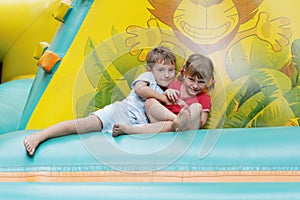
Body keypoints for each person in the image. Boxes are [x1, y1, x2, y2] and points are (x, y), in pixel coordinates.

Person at [23, 46, 178, 156]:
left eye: (171, 70)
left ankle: (177, 122)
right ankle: (40, 136)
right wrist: (164, 97)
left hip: (134, 125)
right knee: (81, 125)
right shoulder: (148, 78)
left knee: (169, 126)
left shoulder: (169, 88)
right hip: (119, 113)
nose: (167, 75)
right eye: (161, 70)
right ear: (149, 70)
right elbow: (140, 90)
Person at [112, 53, 215, 136]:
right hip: (169, 122)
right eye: (191, 80)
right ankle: (176, 121)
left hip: (187, 127)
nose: (195, 85)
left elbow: (202, 121)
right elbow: (162, 103)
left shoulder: (204, 97)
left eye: (201, 82)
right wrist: (168, 92)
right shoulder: (174, 85)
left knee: (196, 107)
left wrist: (188, 116)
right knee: (150, 102)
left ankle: (130, 130)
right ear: (184, 74)